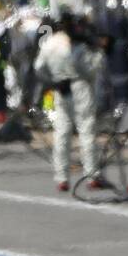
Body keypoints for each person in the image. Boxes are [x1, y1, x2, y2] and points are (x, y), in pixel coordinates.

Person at [35, 14, 103, 192]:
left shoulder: (49, 43)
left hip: (61, 88)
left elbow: (38, 67)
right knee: (86, 131)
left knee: (62, 133)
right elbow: (89, 70)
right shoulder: (78, 46)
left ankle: (62, 178)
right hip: (79, 86)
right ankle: (92, 176)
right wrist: (98, 52)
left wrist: (52, 82)